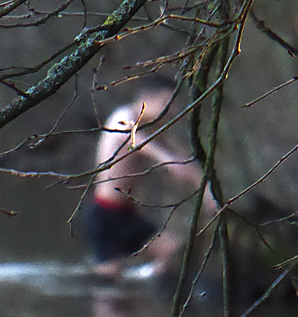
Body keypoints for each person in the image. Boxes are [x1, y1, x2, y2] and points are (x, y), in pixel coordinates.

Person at [83, 76, 214, 279]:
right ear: (147, 98)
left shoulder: (151, 128)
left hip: (126, 214)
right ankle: (131, 284)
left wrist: (207, 191)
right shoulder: (123, 118)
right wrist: (168, 161)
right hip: (106, 214)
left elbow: (183, 161)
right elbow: (144, 145)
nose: (171, 110)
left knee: (172, 250)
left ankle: (144, 282)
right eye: (166, 103)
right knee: (108, 284)